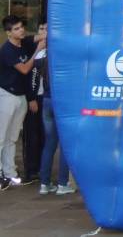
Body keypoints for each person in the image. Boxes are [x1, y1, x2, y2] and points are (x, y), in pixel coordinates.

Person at [0, 15, 45, 190]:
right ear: (8, 32)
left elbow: (41, 36)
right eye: (16, 29)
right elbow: (25, 69)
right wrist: (37, 50)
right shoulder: (7, 50)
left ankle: (10, 173)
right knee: (2, 136)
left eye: (21, 27)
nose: (21, 30)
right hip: (6, 95)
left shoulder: (24, 41)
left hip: (20, 96)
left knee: (12, 137)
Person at [38, 22, 76, 195]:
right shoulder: (66, 57)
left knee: (49, 144)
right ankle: (62, 183)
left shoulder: (42, 56)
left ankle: (44, 184)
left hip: (46, 101)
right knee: (65, 144)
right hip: (63, 102)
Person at [22, 21, 47, 184]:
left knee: (45, 136)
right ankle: (31, 170)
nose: (44, 32)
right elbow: (27, 76)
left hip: (47, 99)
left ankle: (41, 169)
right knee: (32, 135)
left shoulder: (53, 50)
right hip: (34, 98)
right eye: (41, 29)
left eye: (47, 29)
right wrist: (31, 98)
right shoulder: (30, 48)